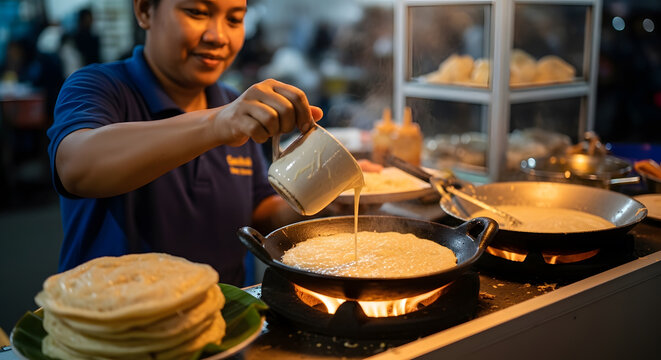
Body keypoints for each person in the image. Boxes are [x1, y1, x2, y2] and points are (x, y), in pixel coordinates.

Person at [47, 0, 325, 286]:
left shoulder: (231, 103)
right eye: (197, 12)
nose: (217, 36)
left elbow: (258, 212)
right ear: (144, 11)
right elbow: (76, 167)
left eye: (234, 19)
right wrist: (218, 123)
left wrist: (320, 200)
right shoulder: (98, 87)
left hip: (221, 316)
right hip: (112, 320)